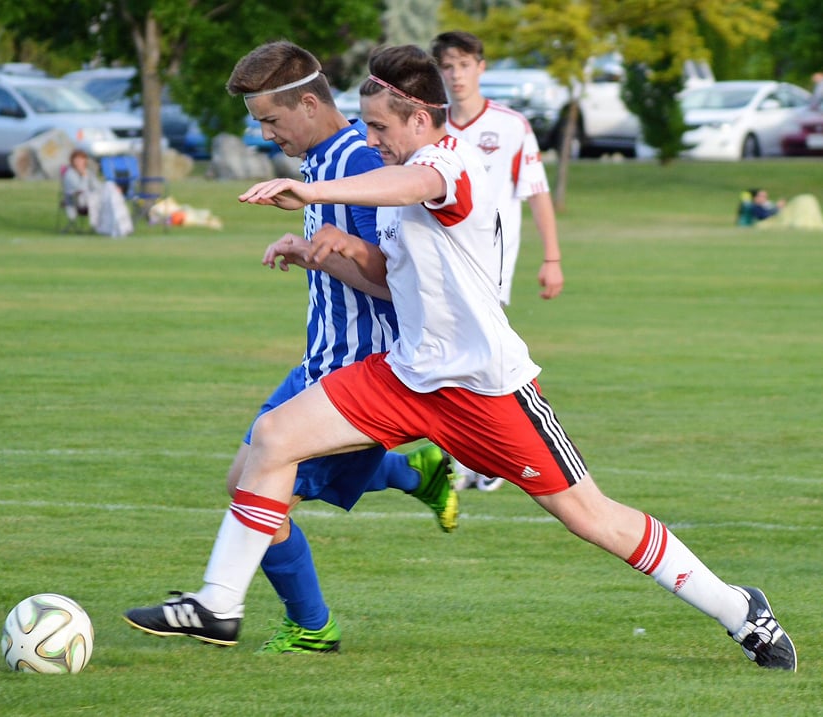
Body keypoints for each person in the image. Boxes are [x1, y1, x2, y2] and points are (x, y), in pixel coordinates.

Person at [125, 44, 797, 672]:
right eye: (365, 126)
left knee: (592, 517)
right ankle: (219, 604)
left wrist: (317, 193)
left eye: (381, 127)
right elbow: (391, 272)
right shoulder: (399, 169)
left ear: (421, 118)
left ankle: (742, 610)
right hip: (407, 373)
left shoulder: (450, 164)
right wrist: (321, 250)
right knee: (272, 438)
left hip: (484, 388)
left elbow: (413, 186)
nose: (373, 140)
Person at [123, 41, 457, 654]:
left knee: (261, 490)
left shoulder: (362, 164)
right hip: (320, 361)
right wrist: (311, 251)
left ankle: (287, 619)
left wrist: (329, 252)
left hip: (363, 373)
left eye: (271, 121)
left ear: (309, 103)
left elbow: (393, 282)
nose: (265, 134)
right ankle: (413, 476)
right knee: (245, 482)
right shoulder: (322, 160)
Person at [431, 31, 564, 492]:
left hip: (489, 267)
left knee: (481, 360)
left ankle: (490, 459)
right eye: (447, 67)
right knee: (450, 359)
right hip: (436, 266)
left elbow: (537, 193)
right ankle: (470, 460)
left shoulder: (511, 126)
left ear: (481, 67)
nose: (456, 75)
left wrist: (552, 257)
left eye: (464, 64)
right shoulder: (430, 126)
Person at [61, 149, 101, 229]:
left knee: (108, 191)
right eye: (77, 159)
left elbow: (98, 186)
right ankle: (97, 225)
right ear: (72, 161)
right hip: (75, 200)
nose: (79, 162)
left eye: (82, 159)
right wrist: (84, 176)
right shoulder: (69, 174)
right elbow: (80, 189)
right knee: (95, 198)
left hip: (91, 199)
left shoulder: (88, 172)